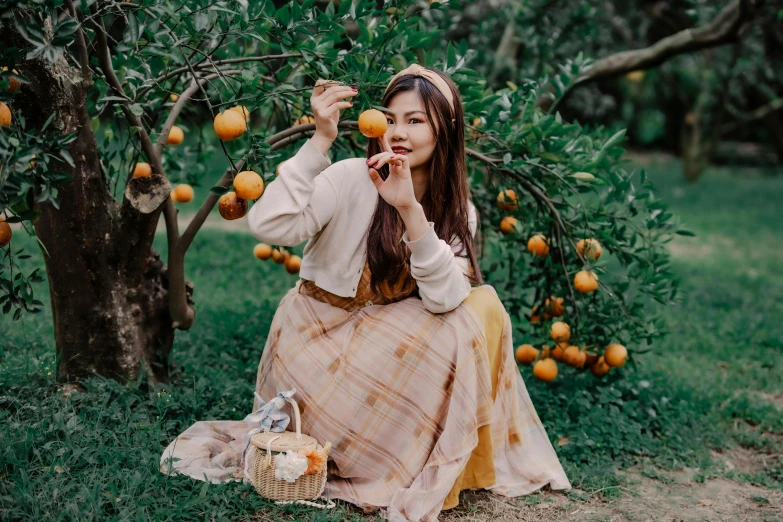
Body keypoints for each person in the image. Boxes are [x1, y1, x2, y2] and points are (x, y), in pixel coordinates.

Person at [160, 64, 570, 521]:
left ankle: (438, 458)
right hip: (314, 344)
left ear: (446, 129)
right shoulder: (351, 176)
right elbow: (268, 223)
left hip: (377, 350)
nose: (398, 132)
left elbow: (444, 300)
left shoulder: (457, 210)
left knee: (481, 305)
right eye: (390, 119)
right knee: (470, 309)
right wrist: (319, 142)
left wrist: (410, 211)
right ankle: (384, 454)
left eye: (415, 121)